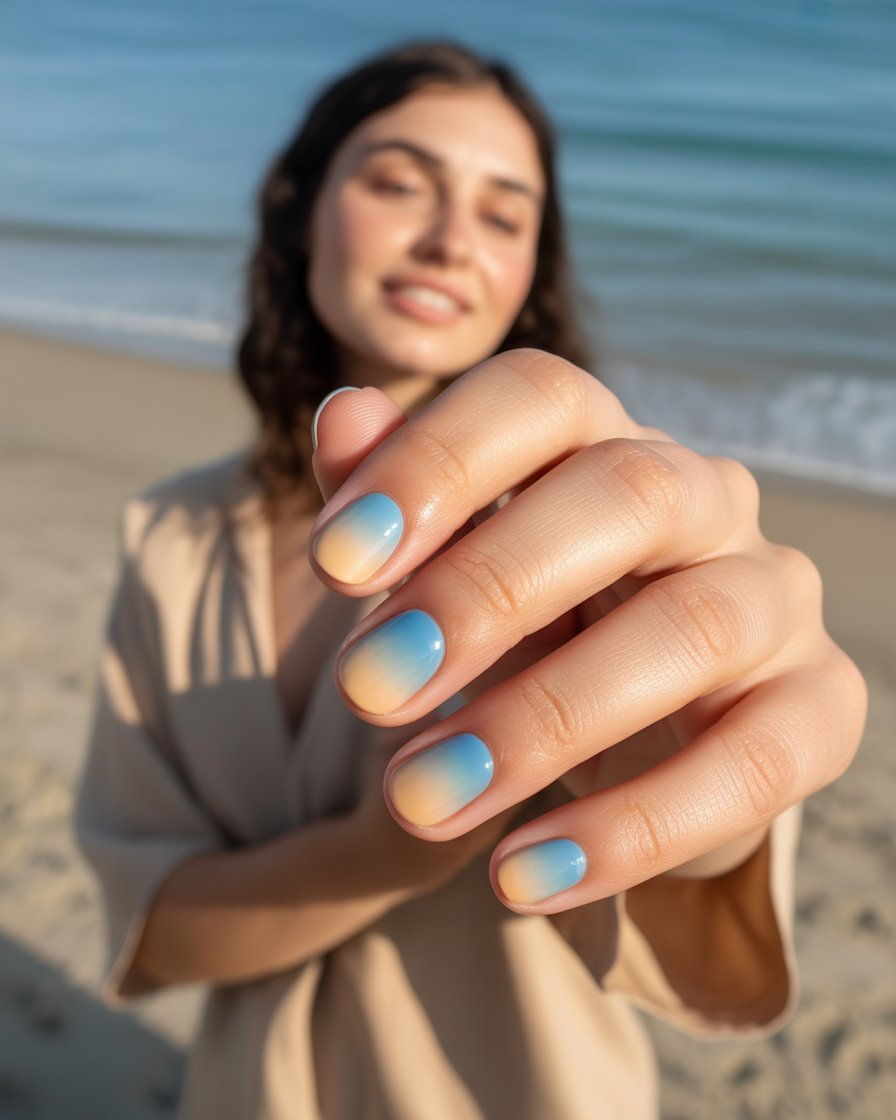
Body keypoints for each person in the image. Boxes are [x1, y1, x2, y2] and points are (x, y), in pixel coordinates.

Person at [75, 40, 866, 1120]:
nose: (450, 240)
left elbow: (694, 889)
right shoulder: (169, 535)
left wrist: (715, 760)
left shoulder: (601, 555)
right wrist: (382, 848)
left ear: (530, 269)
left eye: (503, 215)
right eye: (399, 182)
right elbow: (155, 929)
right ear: (298, 207)